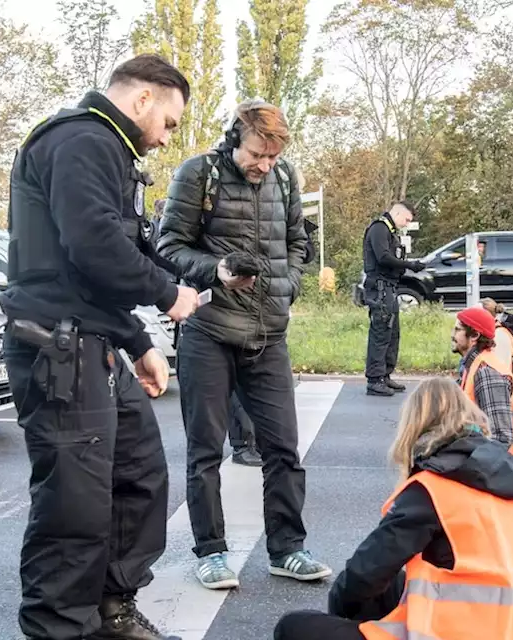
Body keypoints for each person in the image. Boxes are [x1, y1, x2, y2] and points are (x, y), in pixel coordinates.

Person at [0, 53, 201, 640]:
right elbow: (95, 245)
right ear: (142, 100)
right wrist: (168, 296)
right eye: (168, 121)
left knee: (139, 479)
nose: (165, 138)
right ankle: (60, 627)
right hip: (58, 350)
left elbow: (85, 269)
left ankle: (112, 609)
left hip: (94, 343)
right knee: (74, 509)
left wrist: (138, 342)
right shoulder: (83, 141)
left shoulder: (105, 147)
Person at [158, 99, 330, 591]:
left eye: (273, 156)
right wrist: (216, 270)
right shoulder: (198, 174)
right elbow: (168, 246)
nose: (264, 165)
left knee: (284, 450)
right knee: (205, 451)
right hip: (208, 332)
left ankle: (288, 549)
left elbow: (298, 242)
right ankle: (211, 552)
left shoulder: (285, 178)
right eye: (257, 154)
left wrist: (289, 282)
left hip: (268, 334)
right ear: (235, 138)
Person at [272, 378, 513, 640]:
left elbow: (363, 575)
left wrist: (340, 613)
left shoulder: (433, 490)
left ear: (415, 428)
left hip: (454, 633)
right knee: (391, 587)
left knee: (293, 627)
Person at [450, 307, 513, 462]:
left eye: (457, 330)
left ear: (474, 335)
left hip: (509, 464)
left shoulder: (487, 372)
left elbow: (500, 439)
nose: (452, 335)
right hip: (502, 459)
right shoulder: (475, 364)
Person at [361, 201, 425, 397]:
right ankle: (375, 380)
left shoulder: (390, 232)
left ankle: (385, 375)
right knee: (381, 333)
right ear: (397, 213)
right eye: (406, 219)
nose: (406, 224)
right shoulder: (379, 228)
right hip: (379, 288)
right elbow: (383, 258)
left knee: (392, 334)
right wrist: (409, 265)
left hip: (389, 288)